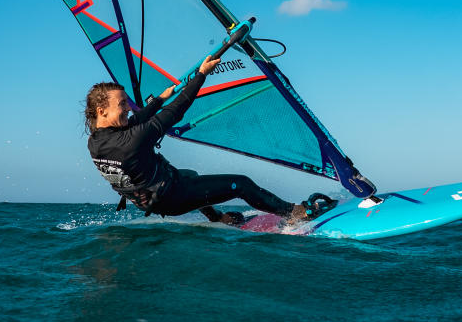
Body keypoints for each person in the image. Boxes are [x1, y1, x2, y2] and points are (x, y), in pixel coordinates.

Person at [85, 55, 335, 225]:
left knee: (190, 173)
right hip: (170, 197)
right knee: (241, 184)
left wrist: (159, 98)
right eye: (122, 105)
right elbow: (175, 112)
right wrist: (202, 75)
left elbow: (137, 120)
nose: (128, 108)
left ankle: (217, 218)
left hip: (149, 197)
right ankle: (294, 213)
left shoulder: (96, 141)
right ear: (101, 110)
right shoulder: (131, 141)